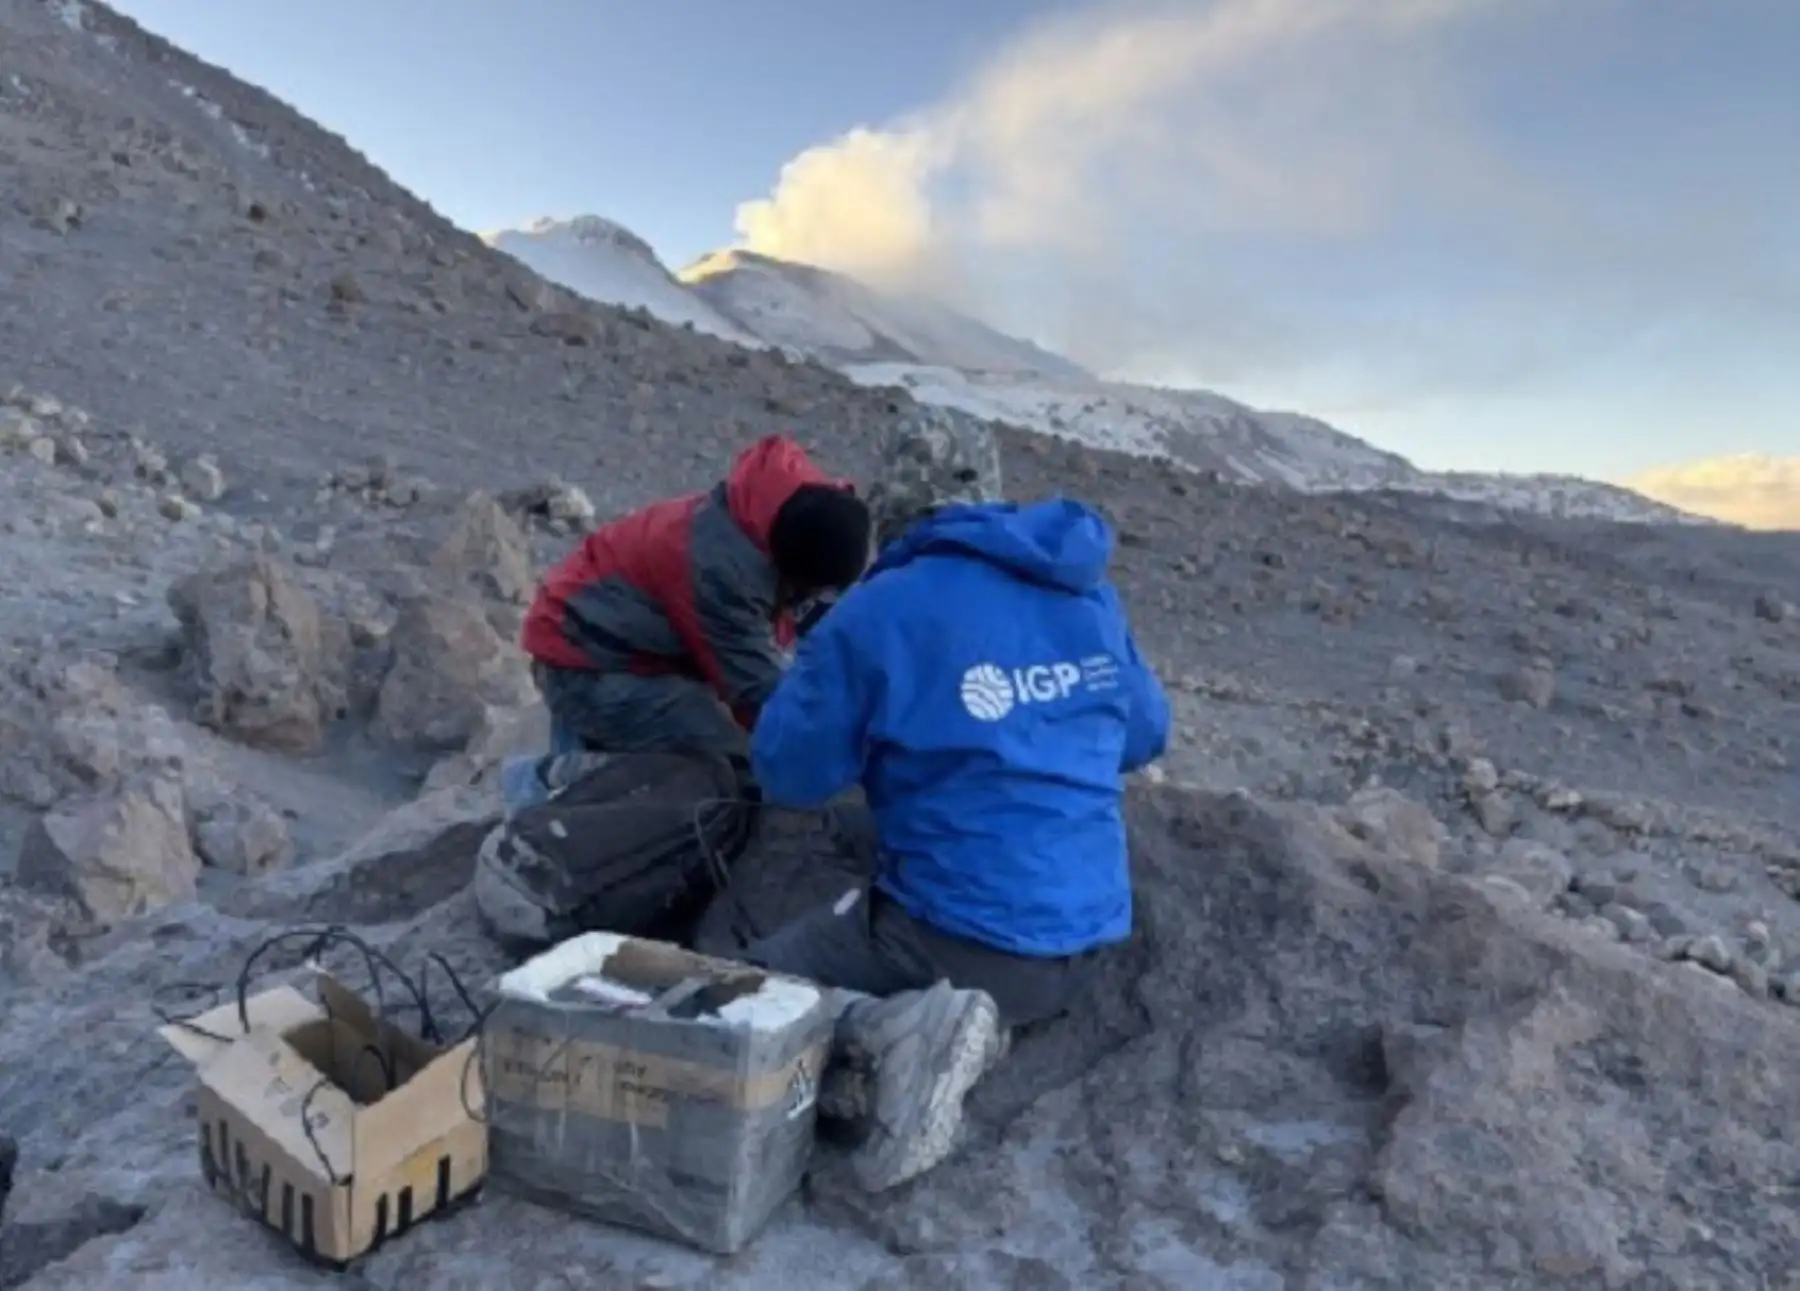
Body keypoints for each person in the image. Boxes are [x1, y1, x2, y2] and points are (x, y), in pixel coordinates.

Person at [738, 409, 1172, 1192]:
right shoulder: (1085, 592)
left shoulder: (880, 611)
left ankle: (901, 1029)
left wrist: (827, 677)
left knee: (759, 985)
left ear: (891, 503)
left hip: (966, 942)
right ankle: (980, 1022)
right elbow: (1145, 735)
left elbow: (787, 773)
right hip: (1086, 942)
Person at [511, 434, 871, 788]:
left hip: (627, 633)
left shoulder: (805, 506)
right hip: (584, 665)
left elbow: (818, 619)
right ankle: (550, 778)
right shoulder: (722, 571)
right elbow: (754, 692)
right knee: (733, 766)